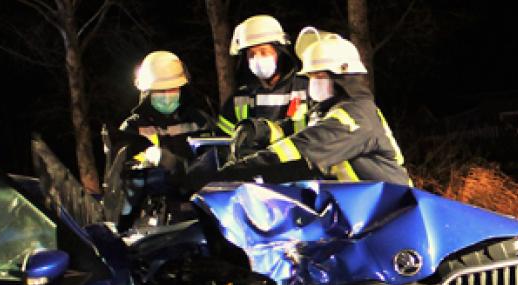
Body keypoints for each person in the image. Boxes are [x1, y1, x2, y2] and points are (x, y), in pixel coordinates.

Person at [198, 35, 410, 188]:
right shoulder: (327, 111)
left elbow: (303, 148)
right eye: (310, 77)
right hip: (358, 211)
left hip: (391, 212)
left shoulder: (355, 117)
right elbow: (294, 129)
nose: (312, 83)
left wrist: (238, 171)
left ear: (341, 78)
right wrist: (259, 130)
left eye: (318, 76)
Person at [115, 50, 215, 228]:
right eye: (160, 90)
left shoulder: (200, 121)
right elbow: (122, 179)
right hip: (152, 220)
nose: (167, 95)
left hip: (199, 213)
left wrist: (175, 164)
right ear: (148, 91)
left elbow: (214, 165)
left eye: (172, 88)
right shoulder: (132, 128)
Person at [217, 15, 310, 149]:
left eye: (264, 51)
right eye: (251, 54)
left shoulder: (306, 90)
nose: (257, 58)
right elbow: (222, 144)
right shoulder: (238, 99)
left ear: (280, 52)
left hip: (299, 167)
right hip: (252, 167)